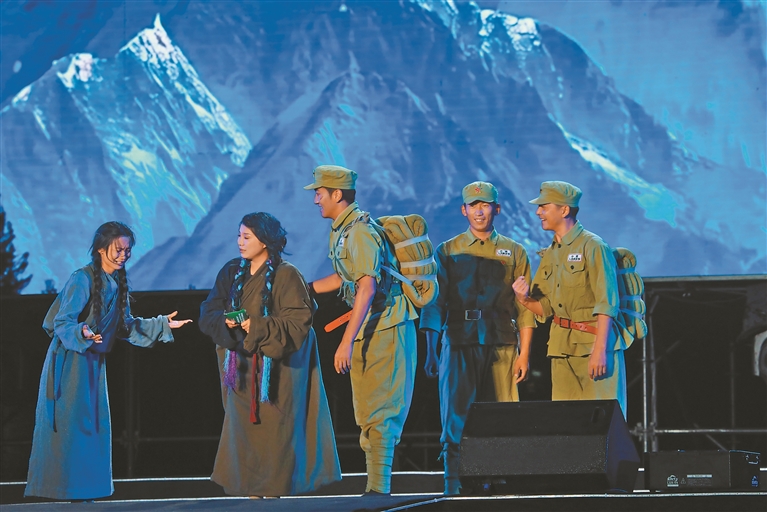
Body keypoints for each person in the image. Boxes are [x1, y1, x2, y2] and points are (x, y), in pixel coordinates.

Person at [25, 221, 192, 501]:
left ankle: (84, 493)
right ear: (101, 249)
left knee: (93, 428)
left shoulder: (116, 284)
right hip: (70, 362)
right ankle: (65, 491)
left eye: (127, 250)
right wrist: (82, 331)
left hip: (91, 364)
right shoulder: (82, 279)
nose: (123, 255)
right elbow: (62, 321)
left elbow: (125, 327)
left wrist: (162, 324)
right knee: (71, 429)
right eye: (118, 249)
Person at [199, 212, 341, 497]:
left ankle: (275, 493)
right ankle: (251, 494)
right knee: (243, 431)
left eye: (246, 237)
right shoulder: (231, 271)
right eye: (239, 236)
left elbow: (298, 322)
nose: (240, 242)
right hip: (240, 370)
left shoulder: (287, 275)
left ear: (264, 241)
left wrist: (257, 326)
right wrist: (226, 322)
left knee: (277, 431)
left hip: (277, 372)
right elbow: (208, 312)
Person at [305, 165, 418, 496]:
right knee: (368, 411)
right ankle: (375, 489)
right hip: (371, 326)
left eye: (319, 193)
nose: (316, 200)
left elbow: (366, 288)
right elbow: (344, 277)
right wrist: (304, 289)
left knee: (381, 412)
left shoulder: (359, 232)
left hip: (387, 325)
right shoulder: (343, 231)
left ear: (336, 194)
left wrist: (347, 341)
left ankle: (378, 491)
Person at [419, 181, 535, 495]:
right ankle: (454, 481)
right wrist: (430, 349)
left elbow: (525, 308)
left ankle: (499, 479)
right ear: (464, 210)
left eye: (485, 205)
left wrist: (524, 354)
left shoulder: (514, 251)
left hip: (501, 342)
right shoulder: (448, 250)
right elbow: (434, 303)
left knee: (502, 414)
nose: (479, 211)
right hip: (459, 341)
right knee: (456, 413)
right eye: (474, 205)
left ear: (497, 209)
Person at [512, 181, 627, 415]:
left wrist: (600, 351)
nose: (538, 212)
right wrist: (523, 299)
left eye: (544, 207)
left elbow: (607, 302)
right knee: (567, 421)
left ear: (564, 210)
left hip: (592, 345)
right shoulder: (551, 252)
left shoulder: (593, 246)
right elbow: (546, 308)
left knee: (603, 419)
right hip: (561, 348)